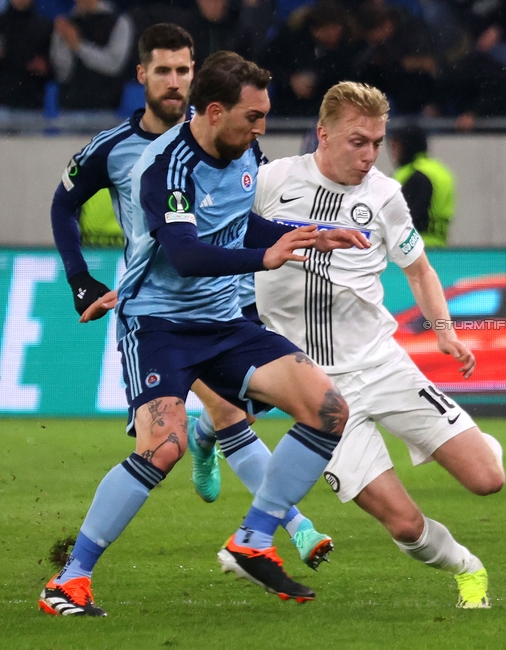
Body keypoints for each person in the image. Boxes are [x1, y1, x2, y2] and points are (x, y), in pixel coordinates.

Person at [40, 50, 368, 617]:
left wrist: (312, 232)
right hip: (159, 324)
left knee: (328, 409)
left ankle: (253, 539)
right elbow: (187, 254)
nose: (261, 129)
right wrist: (267, 257)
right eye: (253, 117)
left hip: (223, 323)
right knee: (161, 448)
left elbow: (244, 221)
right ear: (215, 112)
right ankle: (69, 581)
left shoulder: (242, 152)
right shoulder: (166, 166)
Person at [249, 81, 504, 609]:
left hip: (384, 366)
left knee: (488, 479)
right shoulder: (271, 181)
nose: (369, 156)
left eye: (377, 142)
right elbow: (223, 241)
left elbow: (421, 270)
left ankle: (466, 440)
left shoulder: (385, 196)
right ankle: (467, 568)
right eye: (357, 142)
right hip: (316, 393)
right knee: (406, 523)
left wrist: (445, 332)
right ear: (322, 134)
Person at [50, 0, 134, 110]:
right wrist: (60, 40)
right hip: (70, 109)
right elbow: (63, 73)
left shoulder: (118, 22)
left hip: (107, 110)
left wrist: (78, 46)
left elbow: (114, 65)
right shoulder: (68, 23)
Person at [388, 124, 455, 247]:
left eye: (395, 146)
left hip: (412, 249)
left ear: (406, 146)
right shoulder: (439, 171)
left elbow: (408, 219)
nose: (393, 152)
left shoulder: (414, 175)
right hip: (440, 246)